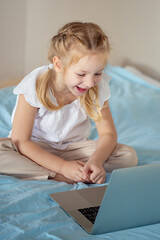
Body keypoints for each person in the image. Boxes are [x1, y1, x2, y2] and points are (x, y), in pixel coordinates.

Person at [0, 22, 138, 184]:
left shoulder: (97, 88)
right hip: (34, 148)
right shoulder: (34, 85)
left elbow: (108, 133)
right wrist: (63, 167)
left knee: (127, 156)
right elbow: (21, 141)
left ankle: (76, 171)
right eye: (81, 74)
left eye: (98, 73)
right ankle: (58, 176)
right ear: (58, 65)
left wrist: (96, 161)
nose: (89, 83)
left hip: (73, 149)